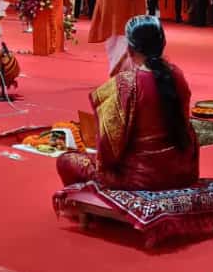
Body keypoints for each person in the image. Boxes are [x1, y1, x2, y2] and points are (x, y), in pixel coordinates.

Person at [57, 16, 198, 189]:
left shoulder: (126, 83)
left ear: (130, 49)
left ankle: (96, 198)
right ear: (163, 44)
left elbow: (107, 148)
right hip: (184, 172)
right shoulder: (177, 75)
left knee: (66, 160)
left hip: (140, 177)